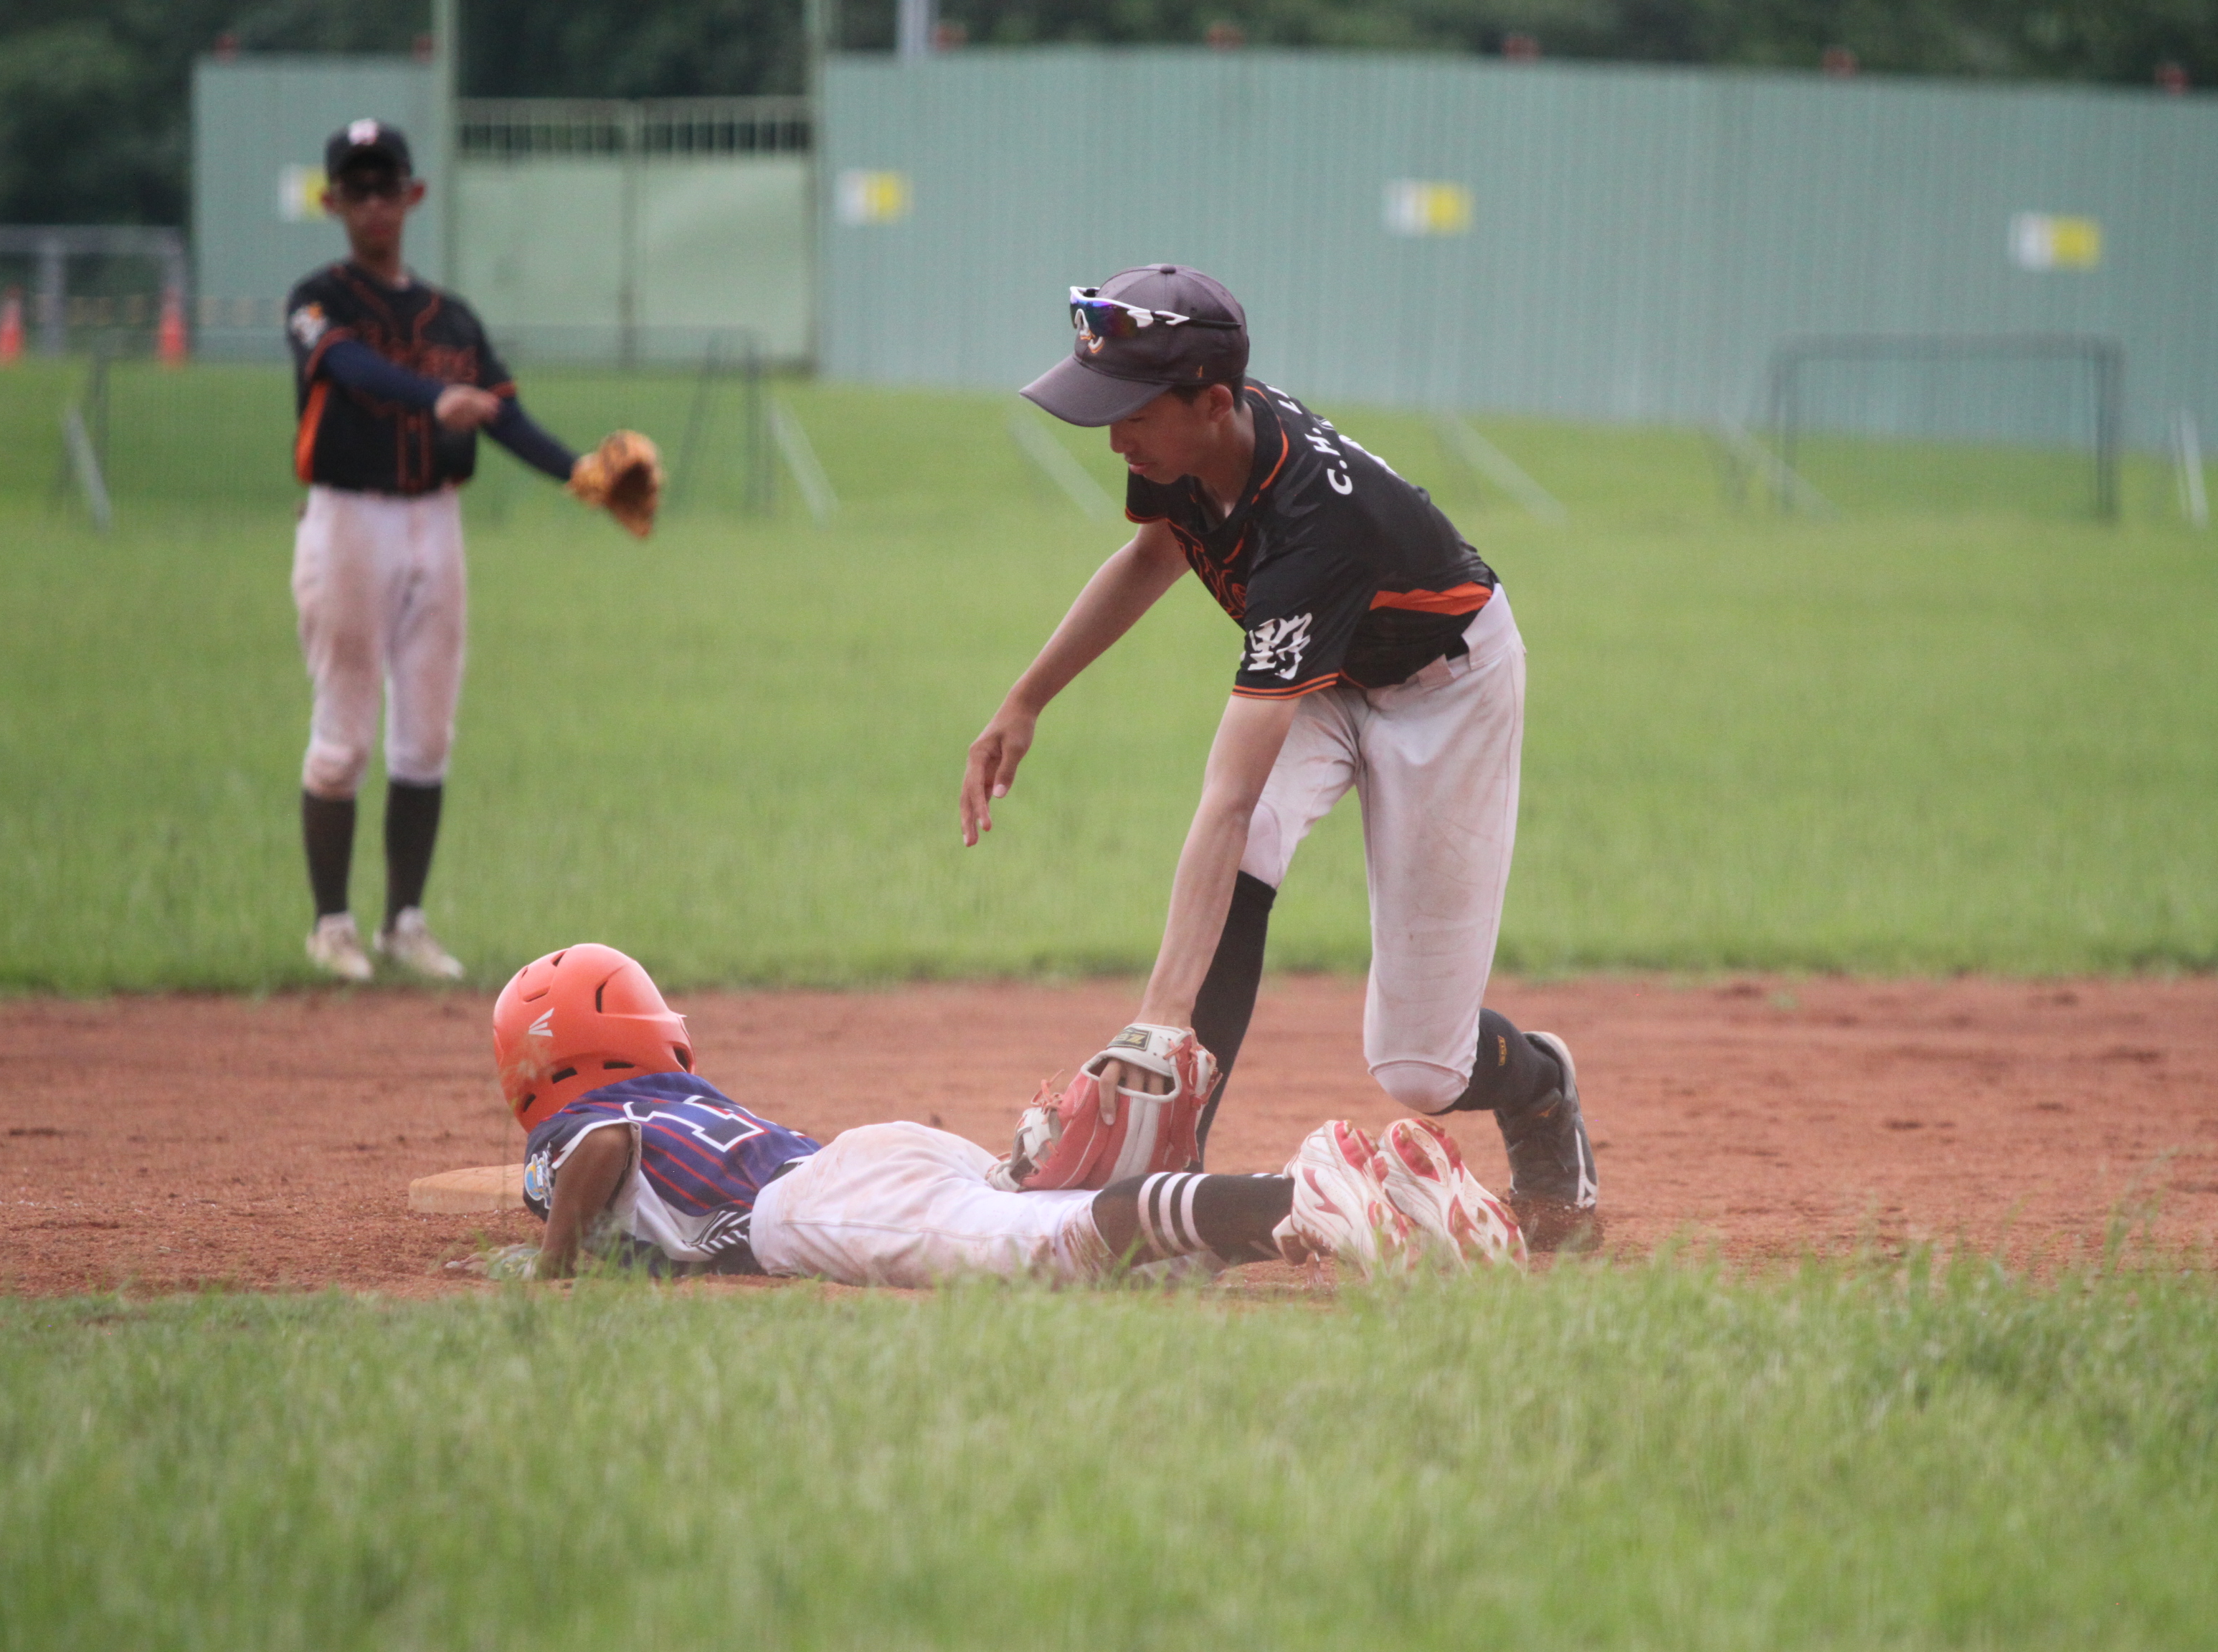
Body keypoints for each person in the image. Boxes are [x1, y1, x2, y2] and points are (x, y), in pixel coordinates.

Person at [959, 265, 1599, 1249]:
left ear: (1214, 403)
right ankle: (1176, 1183)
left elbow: (1227, 792)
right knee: (1249, 850)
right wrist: (1026, 698)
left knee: (1419, 1069)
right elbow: (1156, 553)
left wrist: (1159, 1017)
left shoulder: (1314, 525)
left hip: (1448, 692)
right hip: (1334, 671)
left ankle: (1540, 1085)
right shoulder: (1186, 442)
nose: (1116, 438)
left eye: (1132, 413)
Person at [492, 944, 1524, 1284]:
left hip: (808, 1206)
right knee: (1138, 1273)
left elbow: (602, 1148)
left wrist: (552, 1267)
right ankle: (1389, 1201)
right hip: (878, 1157)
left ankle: (1302, 1196)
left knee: (1056, 1251)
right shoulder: (684, 1094)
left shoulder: (572, 1128)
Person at [285, 119, 602, 982]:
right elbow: (350, 370)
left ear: (414, 195)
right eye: (357, 188)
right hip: (348, 521)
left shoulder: (451, 318)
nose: (374, 202)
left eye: (387, 186)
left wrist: (585, 476)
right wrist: (433, 397)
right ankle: (332, 926)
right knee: (344, 735)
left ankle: (405, 924)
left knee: (427, 734)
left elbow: (503, 414)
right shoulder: (316, 300)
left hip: (437, 518)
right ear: (333, 202)